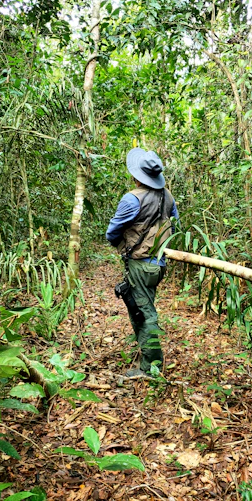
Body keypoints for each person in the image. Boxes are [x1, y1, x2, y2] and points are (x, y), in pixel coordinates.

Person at [106, 147, 179, 378]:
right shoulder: (168, 196)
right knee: (142, 308)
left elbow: (111, 233)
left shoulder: (132, 199)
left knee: (144, 314)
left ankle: (151, 367)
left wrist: (128, 246)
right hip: (158, 265)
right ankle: (147, 352)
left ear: (137, 176)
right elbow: (174, 226)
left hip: (140, 265)